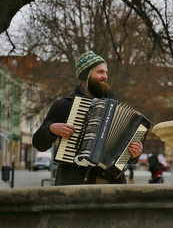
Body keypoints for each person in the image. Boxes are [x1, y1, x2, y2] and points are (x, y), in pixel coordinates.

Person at [32, 51, 143, 185]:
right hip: (75, 183)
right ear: (86, 75)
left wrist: (134, 155)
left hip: (111, 184)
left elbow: (123, 153)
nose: (105, 76)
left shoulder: (116, 108)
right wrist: (51, 129)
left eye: (106, 72)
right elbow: (38, 143)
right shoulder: (63, 105)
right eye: (100, 72)